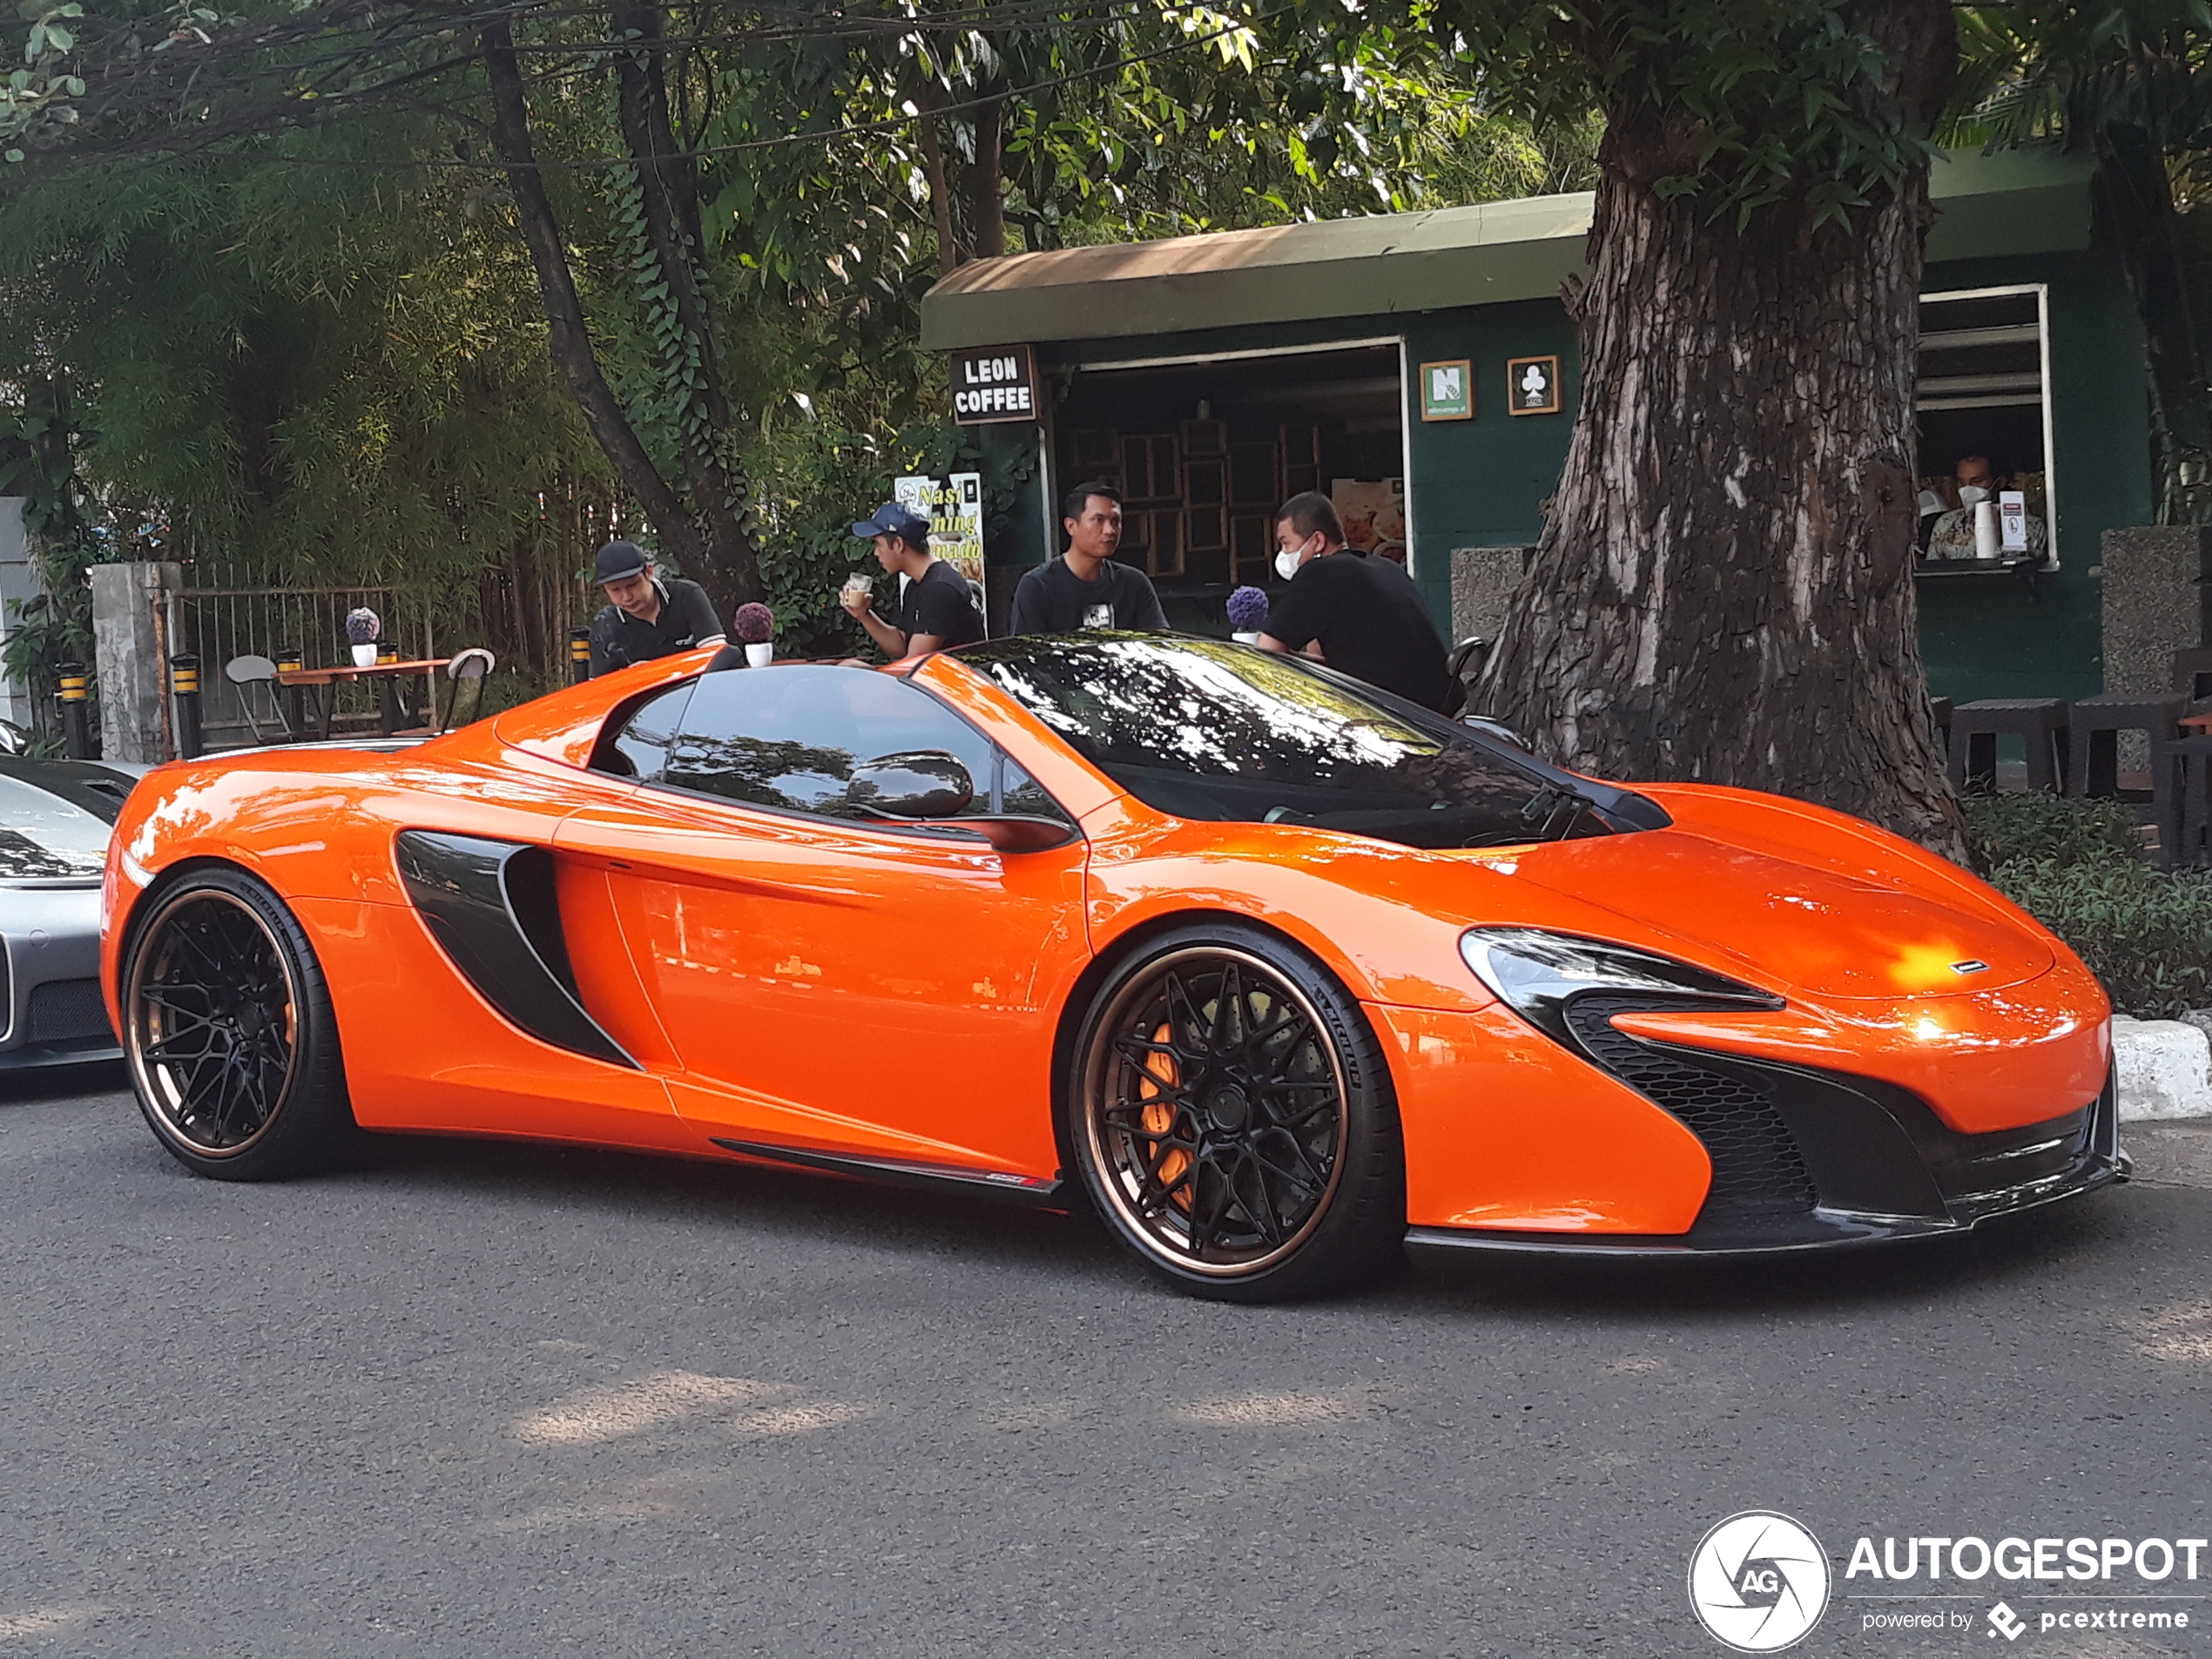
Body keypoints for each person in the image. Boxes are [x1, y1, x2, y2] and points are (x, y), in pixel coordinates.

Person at [1258, 491, 1456, 712]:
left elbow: (1267, 654)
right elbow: (1342, 663)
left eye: (1287, 544)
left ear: (1318, 541)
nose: (1284, 554)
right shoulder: (1384, 567)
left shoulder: (1322, 572)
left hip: (1399, 720)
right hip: (1443, 711)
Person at [1008, 482, 1169, 634]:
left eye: (1116, 521)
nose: (1110, 530)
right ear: (1071, 526)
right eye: (1098, 520)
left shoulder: (1135, 583)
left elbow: (1160, 646)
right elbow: (1029, 656)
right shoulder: (1037, 586)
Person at [842, 501, 985, 660]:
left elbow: (914, 664)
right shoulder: (918, 584)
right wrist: (863, 615)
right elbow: (902, 645)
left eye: (878, 544)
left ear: (898, 544)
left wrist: (864, 673)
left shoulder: (939, 588)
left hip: (959, 683)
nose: (876, 552)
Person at [586, 541, 725, 677]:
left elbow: (717, 656)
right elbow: (602, 689)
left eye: (632, 585)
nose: (626, 597)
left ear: (649, 572)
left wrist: (654, 671)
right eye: (615, 590)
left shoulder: (687, 595)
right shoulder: (605, 625)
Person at [1925, 454, 2047, 561]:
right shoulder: (1946, 524)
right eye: (1961, 483)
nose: (1966, 489)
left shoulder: (2031, 527)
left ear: (1999, 482)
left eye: (1976, 481)